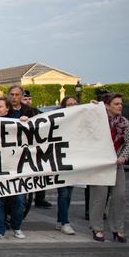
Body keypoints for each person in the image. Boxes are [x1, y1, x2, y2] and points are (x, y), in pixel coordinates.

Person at [89, 93, 129, 242]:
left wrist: (124, 156)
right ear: (107, 106)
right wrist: (92, 107)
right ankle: (97, 228)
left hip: (117, 164)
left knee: (120, 197)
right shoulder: (97, 120)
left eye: (121, 103)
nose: (120, 106)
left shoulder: (124, 122)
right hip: (100, 164)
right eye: (116, 103)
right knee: (99, 197)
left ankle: (118, 228)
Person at [0, 96, 28, 241]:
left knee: (19, 200)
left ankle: (16, 227)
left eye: (0, 106)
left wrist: (25, 121)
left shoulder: (17, 122)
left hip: (16, 167)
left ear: (7, 109)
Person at [56, 95, 79, 235]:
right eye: (69, 104)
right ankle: (65, 222)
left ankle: (61, 219)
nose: (73, 106)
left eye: (75, 104)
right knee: (63, 193)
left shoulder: (80, 121)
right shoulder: (59, 120)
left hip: (73, 160)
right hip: (60, 160)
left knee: (68, 193)